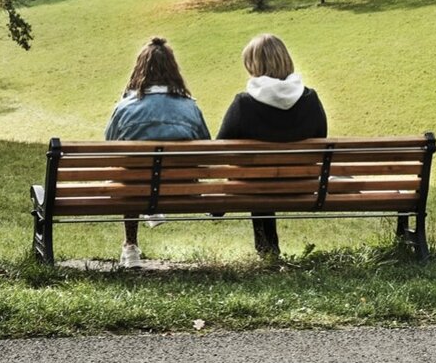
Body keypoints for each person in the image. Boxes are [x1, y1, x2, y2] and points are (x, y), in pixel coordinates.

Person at [217, 34, 327, 257]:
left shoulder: (244, 104)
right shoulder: (310, 98)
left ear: (254, 65)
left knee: (256, 177)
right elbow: (321, 139)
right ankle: (269, 249)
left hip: (254, 186)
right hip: (302, 182)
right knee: (260, 176)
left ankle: (267, 250)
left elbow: (219, 148)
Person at [105, 37, 210, 267]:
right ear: (173, 69)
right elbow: (206, 147)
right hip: (181, 189)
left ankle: (130, 247)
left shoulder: (124, 108)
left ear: (139, 69)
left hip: (135, 189)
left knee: (128, 175)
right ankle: (155, 205)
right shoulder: (190, 107)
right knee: (143, 176)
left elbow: (110, 146)